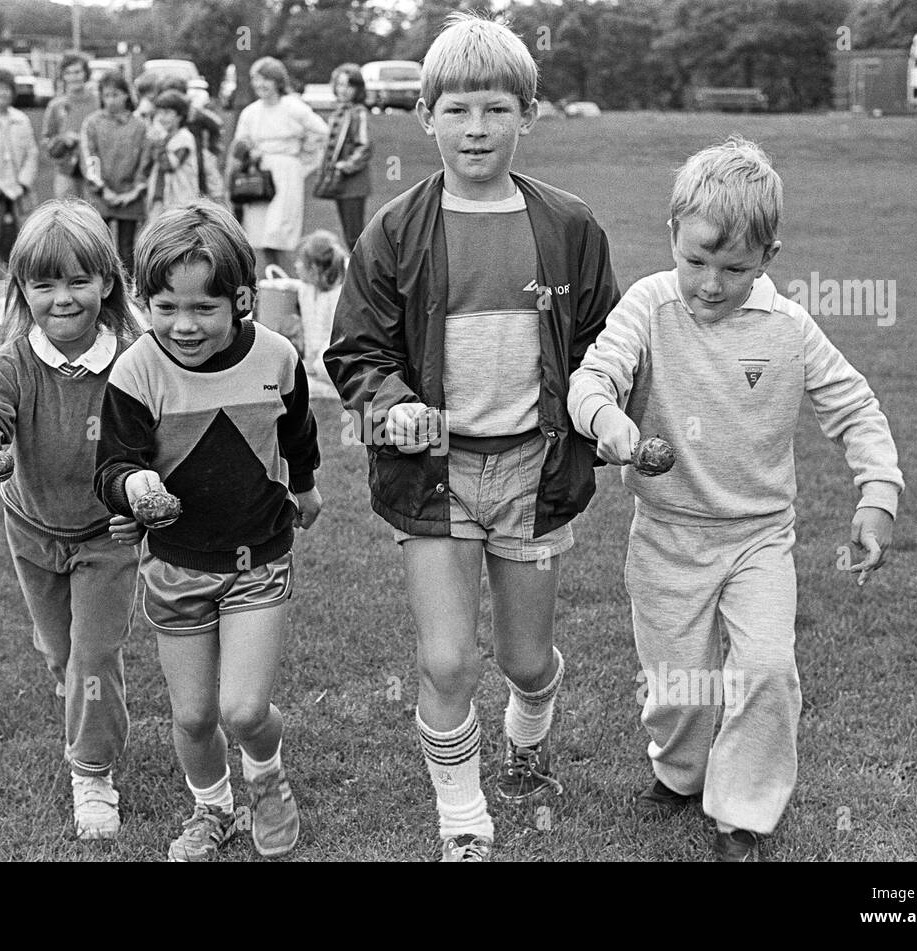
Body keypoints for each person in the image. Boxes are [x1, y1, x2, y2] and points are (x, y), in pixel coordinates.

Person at [323, 12, 619, 862]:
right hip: (436, 478)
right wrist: (391, 403)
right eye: (457, 110)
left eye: (495, 109)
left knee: (526, 661)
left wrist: (611, 422)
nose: (477, 128)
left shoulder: (570, 226)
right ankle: (463, 817)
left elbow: (608, 344)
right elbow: (355, 348)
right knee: (448, 660)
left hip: (537, 470)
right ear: (425, 118)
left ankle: (528, 741)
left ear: (528, 113)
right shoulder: (394, 230)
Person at [567, 136, 904, 862]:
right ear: (671, 238)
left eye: (734, 267)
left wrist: (876, 493)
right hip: (666, 533)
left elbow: (855, 407)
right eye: (695, 261)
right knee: (677, 687)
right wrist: (613, 423)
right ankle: (680, 771)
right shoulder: (648, 305)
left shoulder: (790, 329)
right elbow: (590, 379)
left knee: (765, 668)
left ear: (769, 257)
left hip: (758, 538)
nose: (711, 284)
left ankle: (742, 813)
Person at [94, 202, 322, 862]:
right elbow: (113, 462)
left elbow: (298, 432)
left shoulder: (278, 357)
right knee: (194, 715)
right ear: (143, 301)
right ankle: (212, 809)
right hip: (174, 565)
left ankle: (268, 779)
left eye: (203, 309)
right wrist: (134, 487)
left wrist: (304, 488)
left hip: (258, 560)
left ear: (243, 299)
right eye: (165, 307)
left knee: (244, 710)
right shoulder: (137, 370)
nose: (182, 326)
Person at [0, 199, 145, 841]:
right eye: (44, 284)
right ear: (23, 291)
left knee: (93, 655)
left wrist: (145, 504)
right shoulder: (12, 364)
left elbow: (167, 437)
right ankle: (76, 695)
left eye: (78, 281)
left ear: (108, 283)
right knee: (59, 651)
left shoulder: (136, 360)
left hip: (106, 536)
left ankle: (91, 774)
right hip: (32, 532)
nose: (62, 299)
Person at [231, 57, 327, 276]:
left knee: (281, 233)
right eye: (256, 80)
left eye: (266, 80)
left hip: (286, 172)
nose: (260, 85)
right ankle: (267, 287)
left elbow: (320, 132)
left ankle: (290, 285)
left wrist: (301, 160)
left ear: (277, 81)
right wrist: (248, 151)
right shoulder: (251, 112)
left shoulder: (293, 107)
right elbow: (240, 143)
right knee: (260, 234)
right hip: (258, 176)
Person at [80, 70, 152, 274]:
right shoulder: (92, 123)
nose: (111, 101)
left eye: (116, 95)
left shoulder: (139, 126)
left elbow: (145, 161)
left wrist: (135, 190)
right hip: (101, 195)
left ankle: (128, 292)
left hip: (130, 196)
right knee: (97, 245)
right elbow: (89, 158)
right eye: (106, 96)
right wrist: (103, 189)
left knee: (127, 248)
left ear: (127, 95)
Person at [0, 68, 38, 272]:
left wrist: (23, 182)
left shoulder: (21, 119)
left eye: (6, 89)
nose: (1, 94)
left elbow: (32, 153)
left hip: (19, 191)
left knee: (27, 242)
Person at [317, 63, 372, 251]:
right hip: (340, 183)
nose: (343, 90)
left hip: (354, 182)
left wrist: (345, 166)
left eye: (349, 85)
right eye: (340, 85)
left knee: (354, 234)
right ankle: (355, 272)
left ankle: (363, 275)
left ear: (357, 88)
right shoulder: (338, 112)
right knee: (348, 233)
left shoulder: (359, 113)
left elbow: (364, 147)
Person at [294, 229, 347, 401]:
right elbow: (310, 333)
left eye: (301, 262)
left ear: (314, 269)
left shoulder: (339, 294)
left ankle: (330, 389)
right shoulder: (305, 290)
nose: (296, 266)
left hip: (334, 357)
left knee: (324, 363)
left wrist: (316, 362)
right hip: (314, 363)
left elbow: (337, 337)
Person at [42, 53, 95, 200]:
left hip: (93, 168)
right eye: (68, 73)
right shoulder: (56, 106)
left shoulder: (97, 102)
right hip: (66, 169)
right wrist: (62, 140)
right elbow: (46, 141)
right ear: (63, 76)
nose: (74, 77)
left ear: (85, 73)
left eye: (77, 72)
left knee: (93, 214)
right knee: (67, 213)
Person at [145, 90, 200, 215]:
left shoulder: (184, 138)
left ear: (180, 115)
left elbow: (168, 165)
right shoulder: (163, 136)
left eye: (168, 113)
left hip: (181, 202)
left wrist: (158, 141)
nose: (162, 118)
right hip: (159, 199)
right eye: (160, 113)